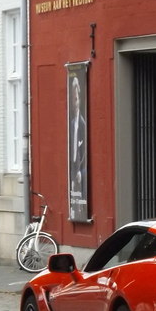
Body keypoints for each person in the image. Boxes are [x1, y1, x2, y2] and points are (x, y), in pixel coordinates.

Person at [69, 76, 88, 220]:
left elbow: (85, 151)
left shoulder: (83, 125)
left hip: (80, 171)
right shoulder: (71, 123)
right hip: (73, 170)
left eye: (76, 100)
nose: (75, 104)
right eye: (72, 100)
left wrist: (80, 171)